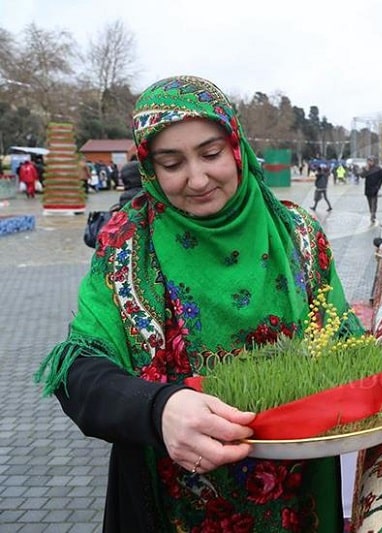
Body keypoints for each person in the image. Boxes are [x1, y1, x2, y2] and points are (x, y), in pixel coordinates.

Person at [35, 75, 362, 532]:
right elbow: (79, 371)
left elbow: (346, 343)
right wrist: (158, 408)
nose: (197, 178)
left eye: (210, 154)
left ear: (236, 147)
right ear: (150, 170)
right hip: (172, 502)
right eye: (172, 163)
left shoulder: (299, 235)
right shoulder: (129, 244)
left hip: (298, 493)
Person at [362, 156, 382, 224]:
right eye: (368, 161)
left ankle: (373, 215)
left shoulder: (378, 169)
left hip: (375, 188)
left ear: (374, 161)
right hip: (368, 188)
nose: (369, 162)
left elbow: (381, 178)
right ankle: (372, 213)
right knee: (370, 203)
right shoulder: (366, 168)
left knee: (374, 202)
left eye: (371, 161)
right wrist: (366, 170)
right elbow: (362, 176)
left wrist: (378, 186)